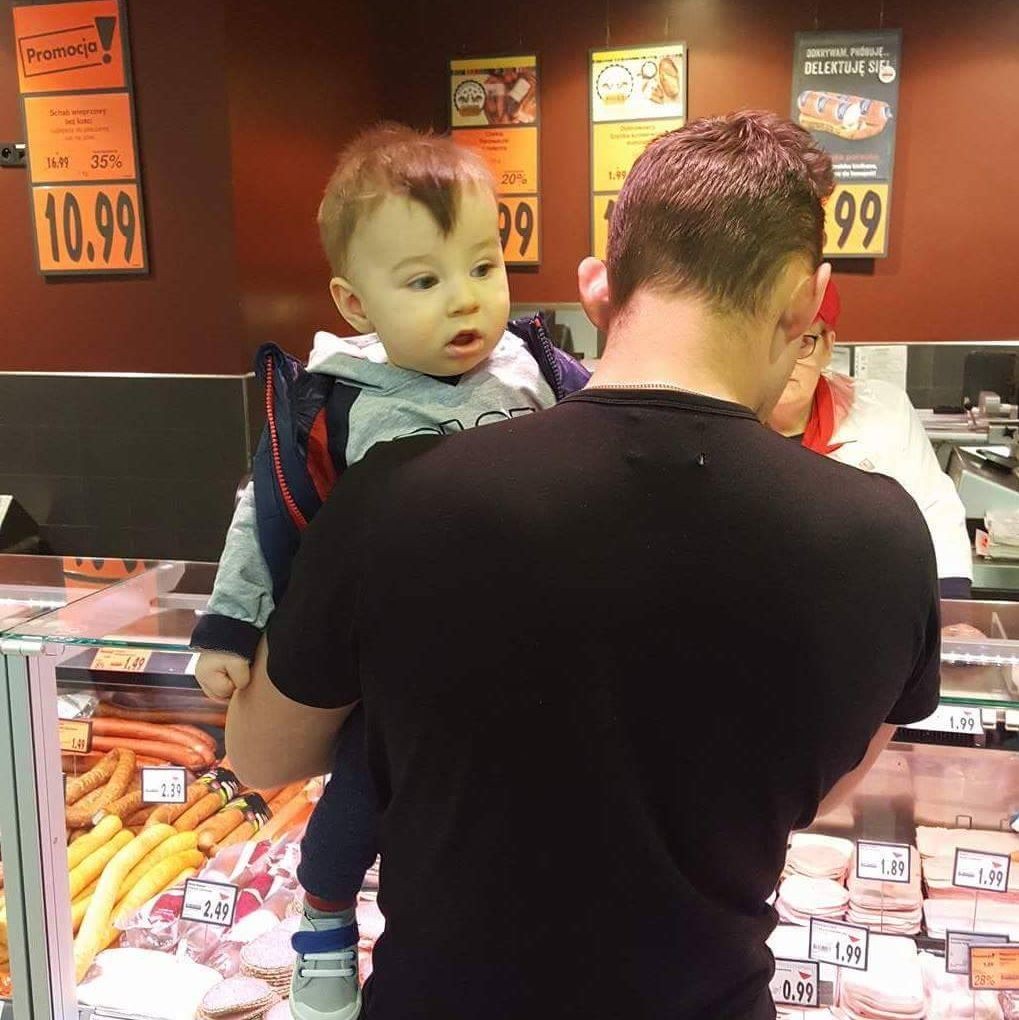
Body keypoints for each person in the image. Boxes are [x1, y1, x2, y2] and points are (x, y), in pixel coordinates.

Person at [226, 111, 941, 1020]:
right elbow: (817, 792)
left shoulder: (394, 494)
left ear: (598, 286)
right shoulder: (882, 536)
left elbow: (262, 755)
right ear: (806, 301)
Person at [190, 123, 587, 1020]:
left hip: (535, 653)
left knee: (539, 810)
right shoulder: (337, 404)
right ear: (355, 301)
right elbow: (264, 511)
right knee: (357, 804)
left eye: (483, 266)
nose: (465, 300)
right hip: (398, 674)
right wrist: (228, 626)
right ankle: (325, 926)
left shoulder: (540, 370)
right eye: (423, 281)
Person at [769, 278, 973, 597]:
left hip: (869, 602)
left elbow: (934, 509)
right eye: (775, 339)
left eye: (804, 341)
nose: (787, 359)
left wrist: (952, 606)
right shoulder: (718, 419)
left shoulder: (883, 409)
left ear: (828, 347)